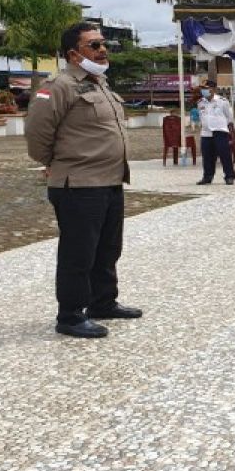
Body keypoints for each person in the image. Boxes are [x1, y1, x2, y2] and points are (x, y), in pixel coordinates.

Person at [25, 23, 140, 339]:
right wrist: (53, 162)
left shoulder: (100, 83)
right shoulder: (58, 86)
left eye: (104, 44)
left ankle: (102, 302)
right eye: (94, 45)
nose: (102, 50)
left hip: (110, 180)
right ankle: (71, 315)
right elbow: (37, 134)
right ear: (74, 54)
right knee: (79, 252)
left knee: (107, 249)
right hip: (78, 185)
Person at [196, 79, 235, 186]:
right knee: (207, 156)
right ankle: (207, 177)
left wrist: (220, 125)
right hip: (206, 132)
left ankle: (229, 176)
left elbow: (229, 117)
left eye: (206, 89)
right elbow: (201, 117)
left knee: (224, 155)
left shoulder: (223, 101)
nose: (203, 91)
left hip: (220, 131)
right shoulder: (200, 103)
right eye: (202, 89)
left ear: (213, 89)